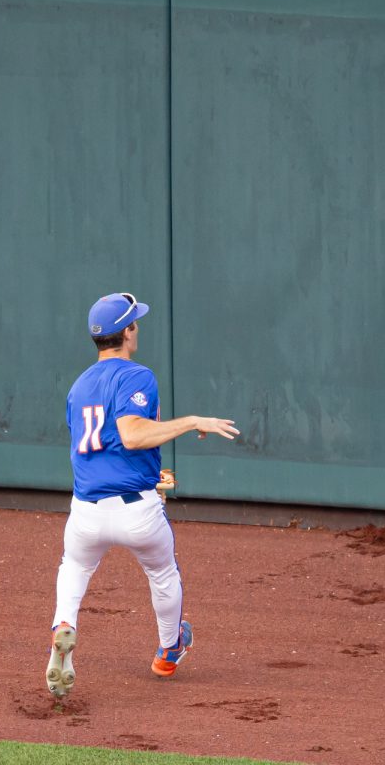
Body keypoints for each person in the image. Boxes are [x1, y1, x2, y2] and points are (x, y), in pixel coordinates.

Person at [46, 292, 238, 698]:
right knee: (163, 573)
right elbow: (131, 435)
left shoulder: (78, 387)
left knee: (74, 569)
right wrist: (189, 422)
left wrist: (150, 468)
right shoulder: (136, 375)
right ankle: (169, 651)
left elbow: (99, 446)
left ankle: (64, 624)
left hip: (85, 511)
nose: (138, 328)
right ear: (127, 332)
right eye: (135, 322)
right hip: (137, 511)